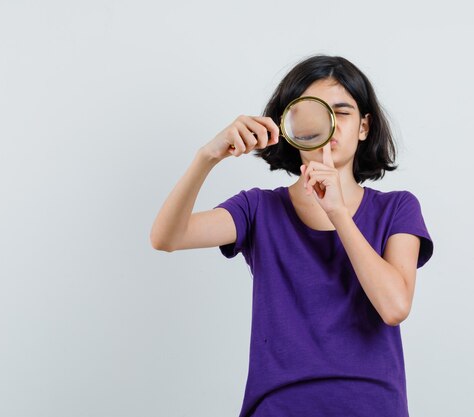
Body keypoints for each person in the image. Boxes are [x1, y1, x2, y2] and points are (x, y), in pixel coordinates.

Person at [150, 55, 434, 417]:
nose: (328, 125)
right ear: (288, 125)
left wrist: (337, 213)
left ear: (364, 127)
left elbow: (394, 307)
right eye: (311, 113)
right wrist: (207, 156)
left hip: (372, 406)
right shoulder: (258, 209)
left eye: (342, 112)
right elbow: (167, 237)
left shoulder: (397, 209)